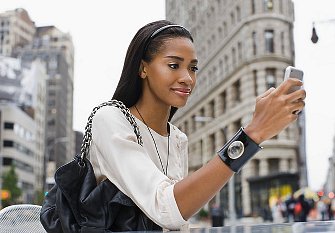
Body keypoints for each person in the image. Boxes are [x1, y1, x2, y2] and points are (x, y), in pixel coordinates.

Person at [89, 20, 306, 231]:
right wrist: (251, 135)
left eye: (193, 68)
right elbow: (166, 208)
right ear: (143, 68)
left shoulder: (177, 138)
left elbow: (178, 222)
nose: (187, 78)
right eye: (174, 65)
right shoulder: (110, 119)